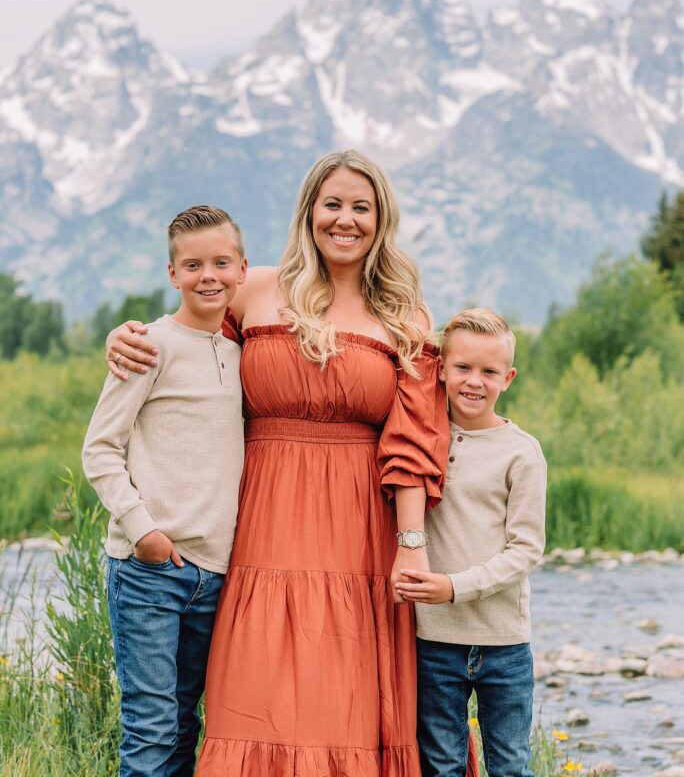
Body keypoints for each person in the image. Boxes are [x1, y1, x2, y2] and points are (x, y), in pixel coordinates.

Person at [106, 150, 478, 777]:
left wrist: (411, 544)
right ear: (309, 211)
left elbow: (414, 443)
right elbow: (183, 340)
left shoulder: (405, 316)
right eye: (333, 203)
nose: (346, 219)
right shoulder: (255, 289)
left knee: (346, 696)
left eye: (362, 207)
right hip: (258, 524)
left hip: (359, 531)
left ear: (381, 219)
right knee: (255, 694)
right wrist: (125, 335)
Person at [83, 205, 247, 777]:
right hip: (151, 569)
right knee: (151, 729)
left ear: (243, 269)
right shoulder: (148, 345)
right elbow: (100, 449)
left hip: (215, 573)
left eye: (222, 262)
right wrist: (143, 529)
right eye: (194, 264)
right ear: (172, 273)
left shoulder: (241, 352)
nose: (210, 276)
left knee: (185, 725)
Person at [396, 308, 547, 777]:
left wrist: (455, 587)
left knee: (510, 766)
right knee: (441, 766)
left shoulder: (522, 452)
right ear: (441, 369)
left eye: (489, 371)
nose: (473, 382)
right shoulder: (423, 439)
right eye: (462, 368)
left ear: (509, 377)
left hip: (504, 644)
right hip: (435, 641)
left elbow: (526, 551)